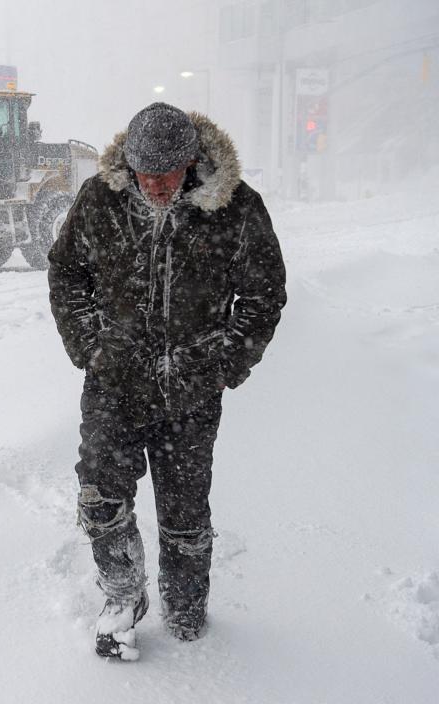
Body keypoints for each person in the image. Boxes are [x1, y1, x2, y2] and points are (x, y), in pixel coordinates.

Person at [47, 102, 286, 660]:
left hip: (191, 392)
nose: (152, 186)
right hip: (114, 383)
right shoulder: (100, 201)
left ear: (192, 161)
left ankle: (185, 604)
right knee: (100, 495)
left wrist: (225, 362)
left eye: (165, 174)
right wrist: (89, 344)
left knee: (183, 512)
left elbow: (263, 293)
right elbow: (65, 271)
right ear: (127, 164)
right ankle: (124, 596)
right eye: (143, 174)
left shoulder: (236, 210)